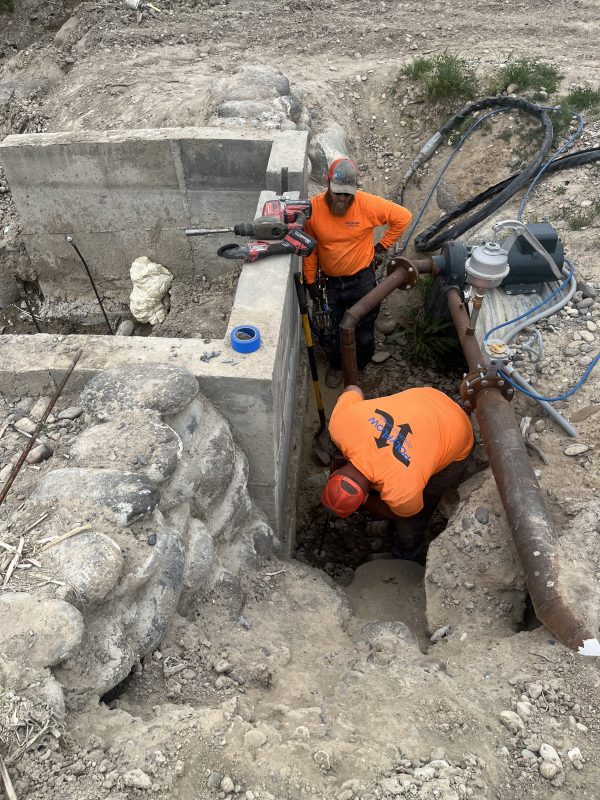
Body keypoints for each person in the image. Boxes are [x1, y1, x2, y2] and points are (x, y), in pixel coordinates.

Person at [320, 384, 474, 564]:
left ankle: (407, 553)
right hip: (429, 397)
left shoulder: (402, 491)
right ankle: (390, 531)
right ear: (334, 472)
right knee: (404, 493)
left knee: (416, 512)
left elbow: (404, 514)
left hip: (458, 434)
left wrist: (368, 502)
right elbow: (354, 388)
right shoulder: (341, 425)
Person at [302, 158, 413, 388]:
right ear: (328, 183)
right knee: (328, 333)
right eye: (337, 192)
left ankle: (359, 367)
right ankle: (337, 365)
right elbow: (310, 246)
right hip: (329, 284)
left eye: (347, 194)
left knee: (363, 333)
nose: (342, 198)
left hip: (362, 281)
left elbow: (403, 217)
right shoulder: (313, 210)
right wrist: (310, 279)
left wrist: (381, 247)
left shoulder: (367, 204)